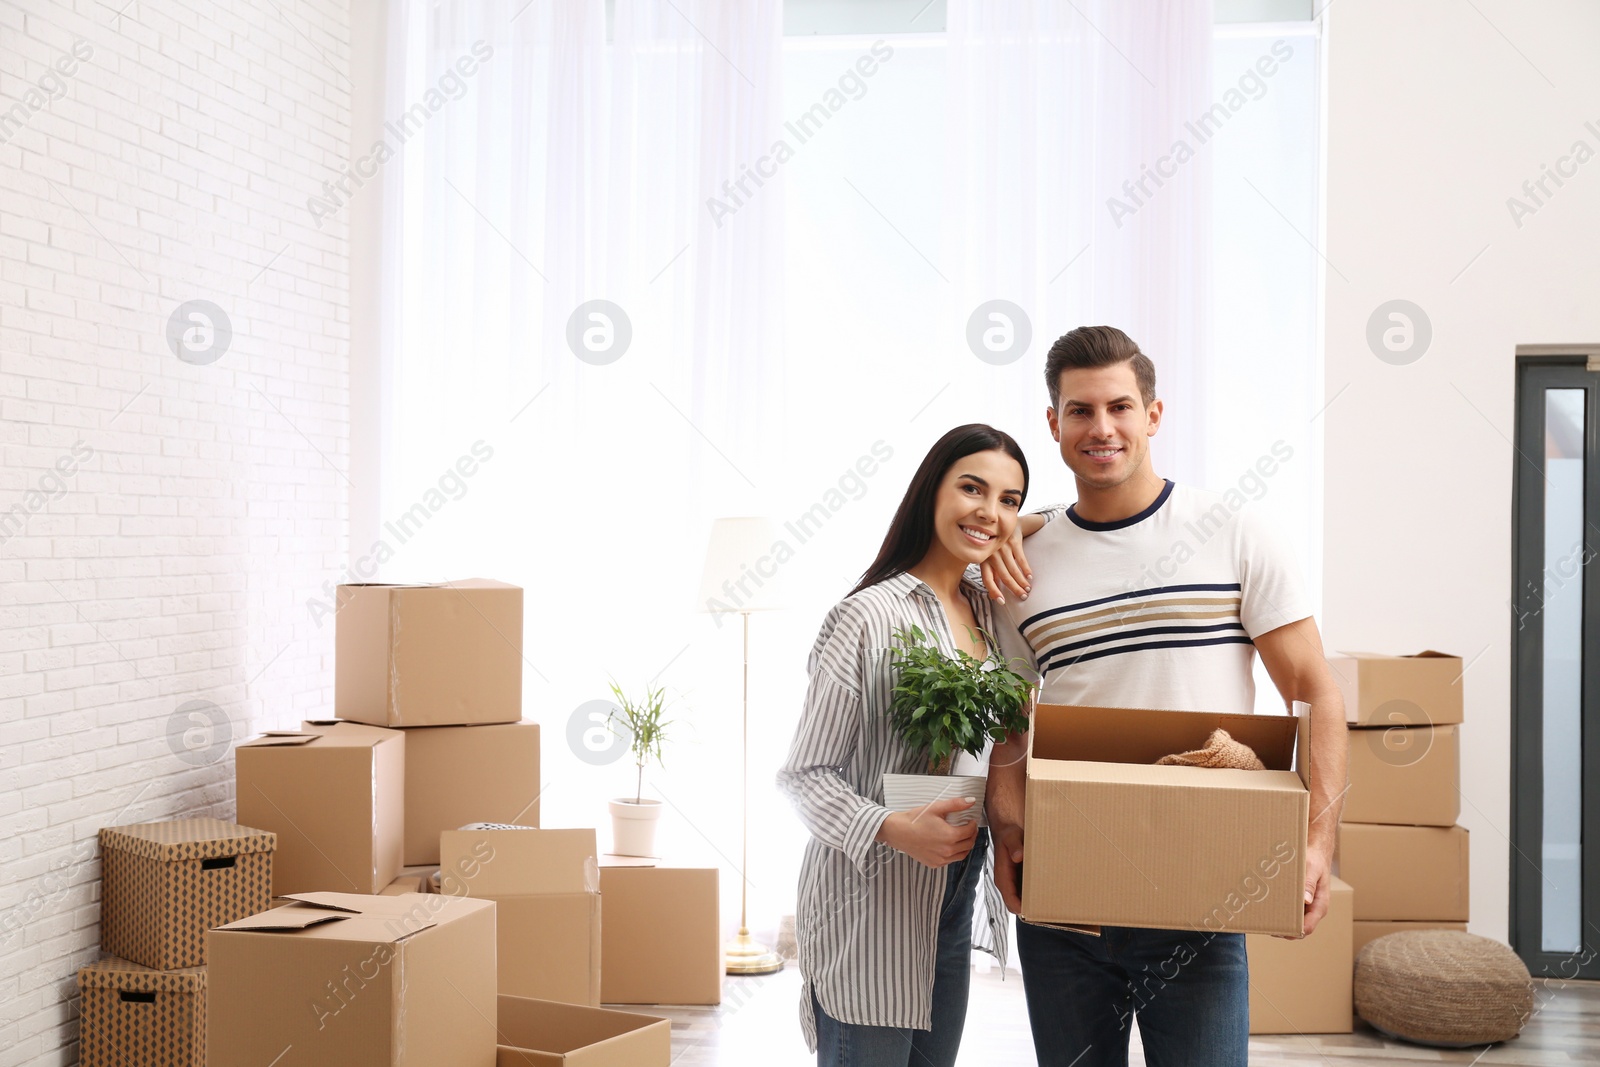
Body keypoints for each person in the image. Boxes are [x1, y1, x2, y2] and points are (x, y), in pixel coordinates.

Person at [978, 326, 1349, 1066]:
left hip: (1201, 893)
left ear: (1154, 413)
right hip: (1067, 898)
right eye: (1080, 411)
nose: (1102, 427)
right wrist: (1009, 830)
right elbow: (1010, 720)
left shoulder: (1234, 533)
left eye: (1120, 405)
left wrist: (1316, 840)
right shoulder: (1021, 566)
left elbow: (1314, 692)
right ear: (1053, 424)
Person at [776, 423, 1036, 1067]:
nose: (989, 511)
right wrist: (893, 827)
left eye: (1010, 500)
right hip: (870, 905)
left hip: (954, 891)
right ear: (931, 491)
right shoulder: (866, 616)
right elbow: (804, 775)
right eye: (971, 489)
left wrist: (1018, 528)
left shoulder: (991, 612)